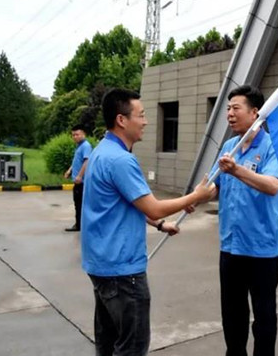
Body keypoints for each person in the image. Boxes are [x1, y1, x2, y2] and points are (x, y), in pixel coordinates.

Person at [81, 88, 215, 356]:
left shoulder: (101, 152)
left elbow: (126, 204)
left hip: (102, 265)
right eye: (141, 115)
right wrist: (196, 196)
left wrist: (160, 224)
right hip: (122, 272)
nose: (146, 121)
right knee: (132, 347)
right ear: (122, 120)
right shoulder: (120, 160)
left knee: (108, 343)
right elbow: (152, 205)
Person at [211, 85, 278, 356]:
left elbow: (272, 185)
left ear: (255, 113)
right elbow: (214, 185)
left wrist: (237, 170)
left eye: (235, 108)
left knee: (264, 316)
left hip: (261, 250)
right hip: (230, 247)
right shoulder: (229, 147)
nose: (229, 114)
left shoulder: (272, 146)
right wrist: (194, 198)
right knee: (232, 314)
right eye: (228, 109)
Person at [63, 124, 92, 232]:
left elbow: (87, 161)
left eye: (77, 134)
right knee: (78, 203)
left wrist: (80, 176)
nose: (75, 137)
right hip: (78, 181)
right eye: (73, 135)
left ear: (83, 134)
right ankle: (79, 224)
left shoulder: (86, 146)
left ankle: (79, 225)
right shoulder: (79, 146)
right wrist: (69, 170)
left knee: (80, 204)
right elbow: (77, 161)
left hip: (82, 182)